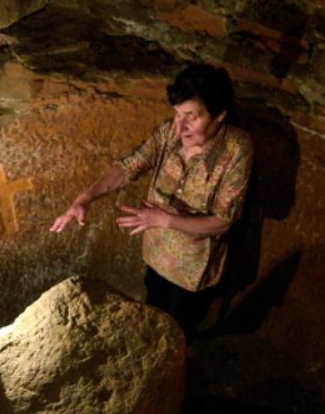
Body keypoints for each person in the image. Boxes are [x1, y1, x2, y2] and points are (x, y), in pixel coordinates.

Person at [50, 63, 254, 340]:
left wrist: (164, 220)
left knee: (179, 331)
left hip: (192, 269)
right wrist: (85, 197)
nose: (179, 126)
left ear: (219, 115)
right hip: (157, 254)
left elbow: (223, 222)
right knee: (154, 312)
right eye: (177, 114)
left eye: (191, 117)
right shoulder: (169, 133)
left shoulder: (236, 150)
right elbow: (128, 167)